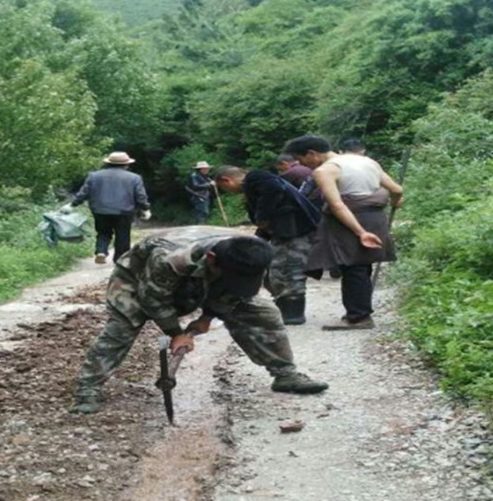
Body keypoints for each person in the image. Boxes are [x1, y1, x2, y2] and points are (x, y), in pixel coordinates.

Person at [70, 234, 329, 413]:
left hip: (209, 276)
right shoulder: (170, 258)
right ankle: (87, 388)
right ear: (213, 259)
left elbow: (235, 292)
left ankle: (285, 374)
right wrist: (176, 333)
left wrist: (206, 318)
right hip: (138, 280)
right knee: (123, 325)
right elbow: (153, 299)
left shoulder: (250, 254)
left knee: (262, 312)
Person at [283, 135, 403, 330]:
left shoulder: (324, 171)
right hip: (375, 218)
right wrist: (395, 202)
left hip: (351, 220)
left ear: (312, 154)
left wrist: (360, 232)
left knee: (352, 266)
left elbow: (337, 205)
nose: (302, 165)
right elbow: (397, 189)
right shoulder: (367, 161)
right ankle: (359, 312)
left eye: (301, 159)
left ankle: (358, 317)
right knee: (362, 266)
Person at [214, 166, 319, 325]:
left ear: (226, 180)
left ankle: (293, 313)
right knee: (276, 271)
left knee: (287, 269)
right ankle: (286, 308)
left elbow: (273, 190)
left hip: (295, 230)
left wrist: (261, 216)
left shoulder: (256, 176)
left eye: (224, 188)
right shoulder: (254, 186)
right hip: (286, 230)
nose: (227, 191)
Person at [66, 151, 151, 264]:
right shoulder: (134, 178)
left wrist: (72, 204)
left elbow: (84, 193)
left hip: (100, 210)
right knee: (123, 235)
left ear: (108, 163)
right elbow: (140, 195)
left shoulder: (94, 176)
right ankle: (120, 260)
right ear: (126, 164)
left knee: (103, 232)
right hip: (124, 211)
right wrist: (145, 208)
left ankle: (101, 251)